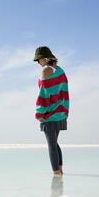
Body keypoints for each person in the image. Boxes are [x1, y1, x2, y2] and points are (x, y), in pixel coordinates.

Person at [33, 46, 69, 176]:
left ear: (45, 58)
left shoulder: (46, 70)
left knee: (52, 145)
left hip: (49, 114)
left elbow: (44, 93)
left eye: (39, 59)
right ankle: (60, 170)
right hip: (60, 112)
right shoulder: (60, 70)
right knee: (54, 143)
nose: (38, 63)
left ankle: (56, 174)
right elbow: (64, 93)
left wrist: (39, 112)